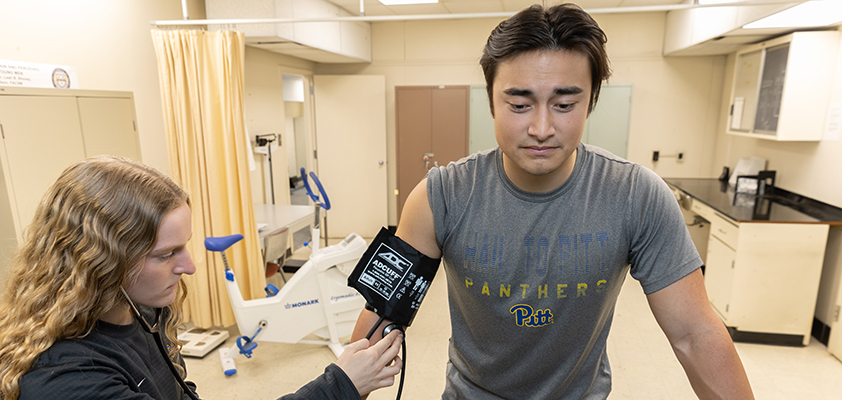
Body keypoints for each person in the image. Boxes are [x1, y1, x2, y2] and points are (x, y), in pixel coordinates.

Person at [351, 3, 754, 399]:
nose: (541, 128)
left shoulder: (637, 196)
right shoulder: (439, 197)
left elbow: (694, 335)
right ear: (490, 102)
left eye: (564, 105)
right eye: (519, 104)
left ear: (591, 101)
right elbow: (382, 316)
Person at [0, 155, 403, 400]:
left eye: (184, 245)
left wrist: (348, 382)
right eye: (167, 253)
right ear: (101, 261)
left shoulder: (139, 312)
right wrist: (340, 385)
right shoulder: (67, 380)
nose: (190, 266)